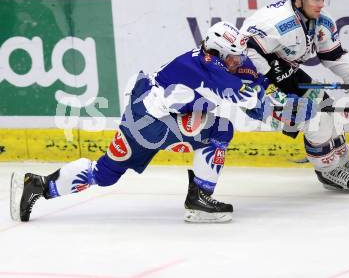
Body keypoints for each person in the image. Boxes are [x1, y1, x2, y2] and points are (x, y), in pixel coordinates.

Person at [10, 21, 275, 224]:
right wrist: (293, 101)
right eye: (232, 56)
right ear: (216, 52)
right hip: (151, 124)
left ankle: (39, 185)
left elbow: (247, 83)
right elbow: (253, 103)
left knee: (104, 174)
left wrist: (266, 82)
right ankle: (199, 200)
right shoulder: (209, 68)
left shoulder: (207, 60)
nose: (236, 62)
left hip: (142, 115)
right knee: (221, 129)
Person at [240, 0, 349, 192]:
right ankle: (327, 170)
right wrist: (271, 83)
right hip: (253, 85)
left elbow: (333, 55)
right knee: (314, 119)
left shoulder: (320, 20)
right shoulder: (275, 23)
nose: (321, 4)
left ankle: (341, 160)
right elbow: (243, 49)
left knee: (326, 107)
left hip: (286, 74)